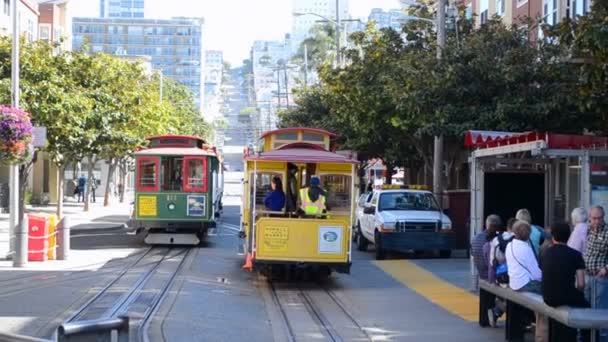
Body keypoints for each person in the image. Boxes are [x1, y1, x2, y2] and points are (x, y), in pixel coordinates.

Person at [542, 222, 589, 341]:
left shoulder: (546, 253)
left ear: (553, 236)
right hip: (566, 297)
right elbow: (581, 284)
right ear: (568, 236)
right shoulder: (576, 255)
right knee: (588, 310)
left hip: (547, 297)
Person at [584, 206, 608, 342]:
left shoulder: (607, 231)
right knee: (586, 311)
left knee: (601, 314)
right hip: (588, 276)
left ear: (603, 217)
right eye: (594, 218)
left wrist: (606, 268)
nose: (597, 221)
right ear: (589, 218)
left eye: (599, 218)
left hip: (601, 278)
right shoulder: (589, 229)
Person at [506, 220, 542, 293]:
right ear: (529, 234)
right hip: (525, 284)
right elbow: (537, 275)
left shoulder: (509, 245)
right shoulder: (526, 249)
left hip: (513, 283)